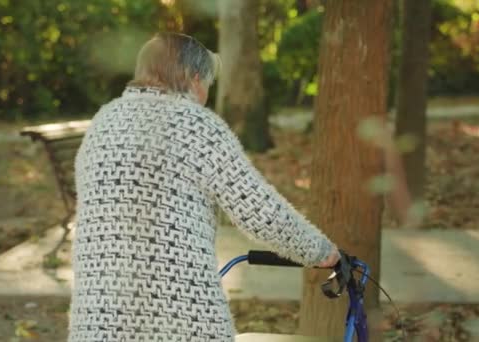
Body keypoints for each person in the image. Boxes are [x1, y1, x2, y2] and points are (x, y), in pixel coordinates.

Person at [68, 32, 340, 342]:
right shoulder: (195, 124)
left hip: (98, 322)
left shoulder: (104, 123)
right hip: (178, 319)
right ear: (194, 78)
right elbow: (261, 212)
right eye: (207, 85)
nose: (205, 95)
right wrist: (320, 250)